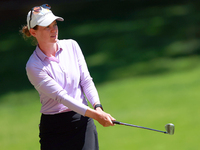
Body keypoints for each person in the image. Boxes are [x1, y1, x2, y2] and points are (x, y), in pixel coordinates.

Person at [20, 4, 115, 150]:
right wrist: (95, 115)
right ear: (33, 32)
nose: (54, 30)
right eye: (47, 27)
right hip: (55, 129)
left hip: (83, 121)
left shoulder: (72, 46)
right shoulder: (33, 66)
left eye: (55, 25)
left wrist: (98, 107)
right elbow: (61, 97)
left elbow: (86, 80)